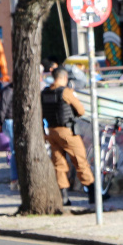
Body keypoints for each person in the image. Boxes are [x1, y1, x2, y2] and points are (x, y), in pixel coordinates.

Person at [41, 68, 102, 206]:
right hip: (67, 132)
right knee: (80, 162)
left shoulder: (44, 93)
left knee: (59, 164)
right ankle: (93, 193)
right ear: (64, 78)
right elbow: (80, 110)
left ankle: (63, 197)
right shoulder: (65, 92)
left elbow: (40, 114)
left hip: (51, 132)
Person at [0, 77, 17, 191]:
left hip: (14, 120)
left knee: (15, 149)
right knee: (14, 150)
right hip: (10, 120)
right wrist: (1, 122)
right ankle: (14, 179)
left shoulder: (12, 90)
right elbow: (3, 107)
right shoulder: (8, 91)